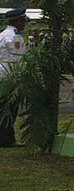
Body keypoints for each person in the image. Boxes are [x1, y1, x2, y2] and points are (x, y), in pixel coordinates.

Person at [0, 8, 28, 147]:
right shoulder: (14, 37)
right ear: (17, 21)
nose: (25, 23)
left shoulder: (4, 34)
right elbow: (18, 59)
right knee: (9, 110)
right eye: (23, 20)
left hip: (3, 76)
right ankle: (6, 140)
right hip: (10, 77)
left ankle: (5, 138)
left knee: (4, 108)